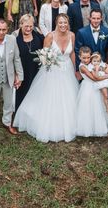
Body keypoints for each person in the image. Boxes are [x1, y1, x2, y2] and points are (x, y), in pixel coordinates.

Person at [13, 14, 79, 143]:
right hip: (52, 70)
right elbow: (44, 55)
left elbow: (72, 53)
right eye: (60, 23)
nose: (63, 25)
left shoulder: (72, 35)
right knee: (50, 97)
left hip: (67, 70)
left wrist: (75, 69)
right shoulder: (50, 36)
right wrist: (51, 63)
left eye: (65, 22)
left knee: (68, 96)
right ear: (56, 23)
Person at [75, 47, 108, 137]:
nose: (86, 60)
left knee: (101, 105)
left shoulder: (92, 63)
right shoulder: (82, 67)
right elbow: (94, 78)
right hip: (88, 87)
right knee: (89, 108)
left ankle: (102, 125)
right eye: (84, 58)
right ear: (79, 57)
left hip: (97, 86)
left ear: (91, 56)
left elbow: (101, 68)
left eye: (88, 57)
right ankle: (89, 127)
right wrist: (107, 76)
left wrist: (104, 68)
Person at [14, 14, 44, 111]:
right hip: (21, 69)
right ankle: (20, 113)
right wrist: (15, 74)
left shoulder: (37, 33)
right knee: (22, 92)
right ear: (21, 24)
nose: (29, 28)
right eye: (26, 26)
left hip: (36, 68)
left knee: (35, 90)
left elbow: (45, 47)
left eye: (31, 26)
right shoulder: (14, 36)